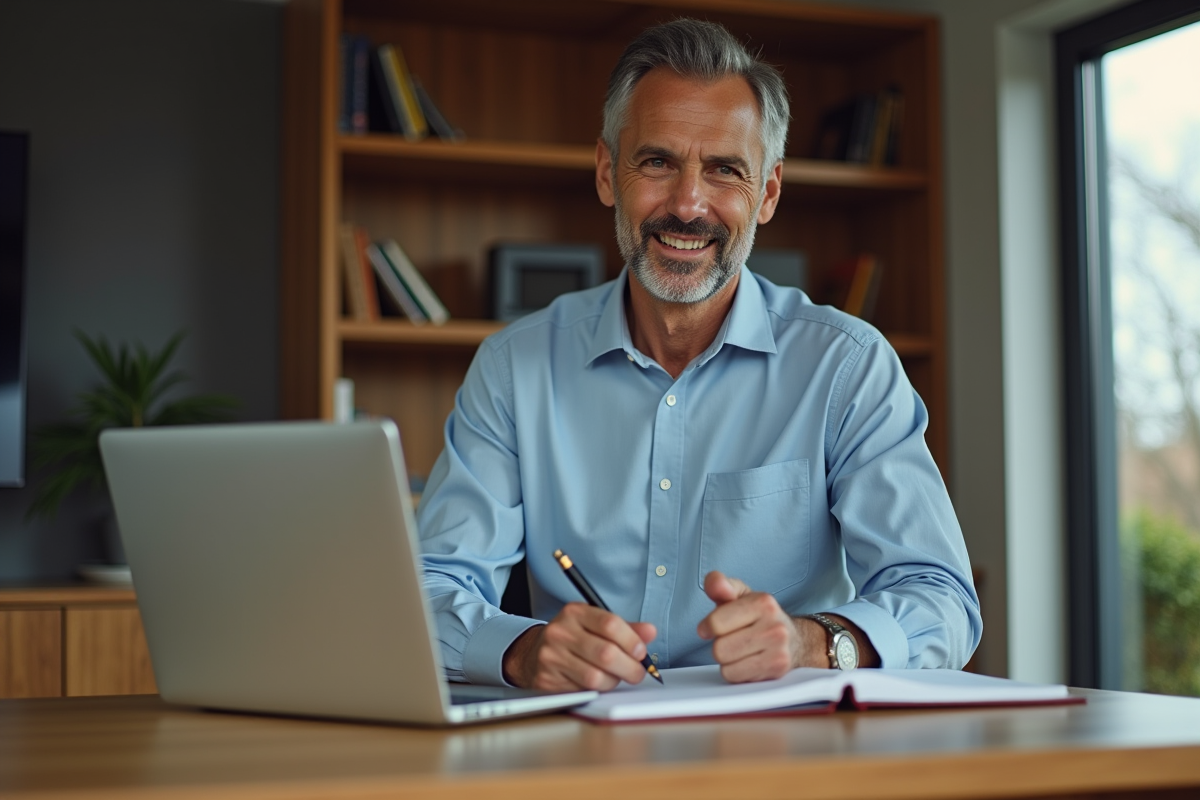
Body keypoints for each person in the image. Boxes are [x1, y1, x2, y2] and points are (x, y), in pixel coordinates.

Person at [417, 18, 981, 692]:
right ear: (607, 173)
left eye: (724, 171)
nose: (687, 205)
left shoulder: (847, 367)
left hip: (787, 762)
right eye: (657, 162)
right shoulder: (515, 367)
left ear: (767, 193)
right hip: (581, 760)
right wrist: (524, 651)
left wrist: (817, 642)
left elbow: (941, 596)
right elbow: (430, 587)